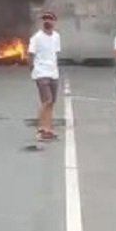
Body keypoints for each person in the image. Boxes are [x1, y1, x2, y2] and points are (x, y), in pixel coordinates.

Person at [29, 11, 64, 141]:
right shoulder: (36, 38)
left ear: (55, 22)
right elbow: (31, 55)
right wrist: (34, 70)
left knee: (52, 102)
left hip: (53, 73)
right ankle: (40, 129)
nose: (47, 21)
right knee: (46, 101)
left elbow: (55, 53)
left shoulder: (56, 37)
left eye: (50, 19)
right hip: (41, 73)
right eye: (45, 19)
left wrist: (54, 69)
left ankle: (48, 129)